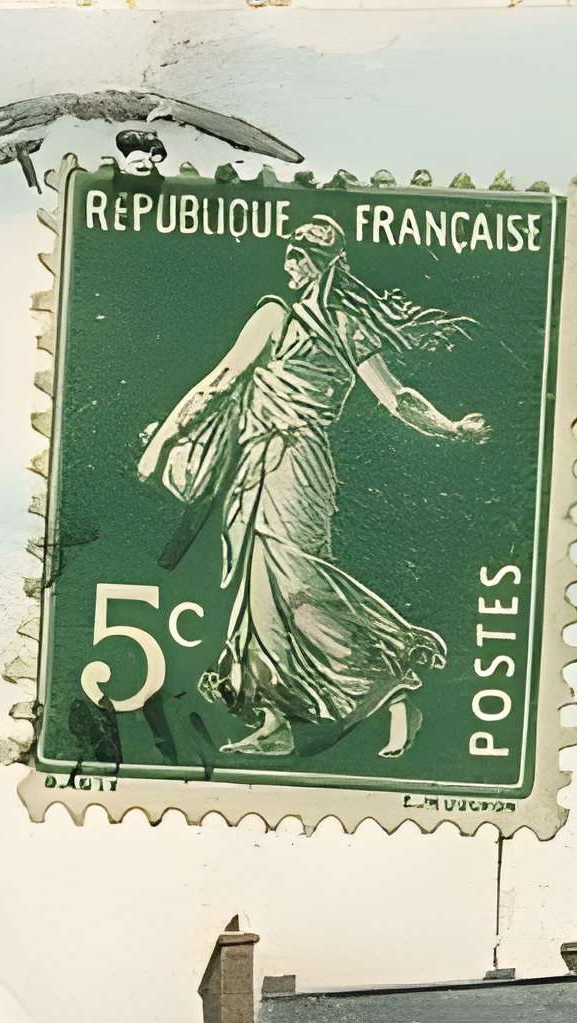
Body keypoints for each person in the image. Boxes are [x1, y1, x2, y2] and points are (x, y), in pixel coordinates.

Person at [133, 216, 489, 761]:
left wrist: (162, 442)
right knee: (261, 594)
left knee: (299, 582)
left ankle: (391, 680)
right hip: (264, 461)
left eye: (300, 255)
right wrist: (448, 427)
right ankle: (275, 718)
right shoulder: (339, 325)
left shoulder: (286, 317)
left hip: (291, 463)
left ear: (324, 265)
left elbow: (225, 378)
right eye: (289, 253)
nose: (289, 264)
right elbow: (397, 400)